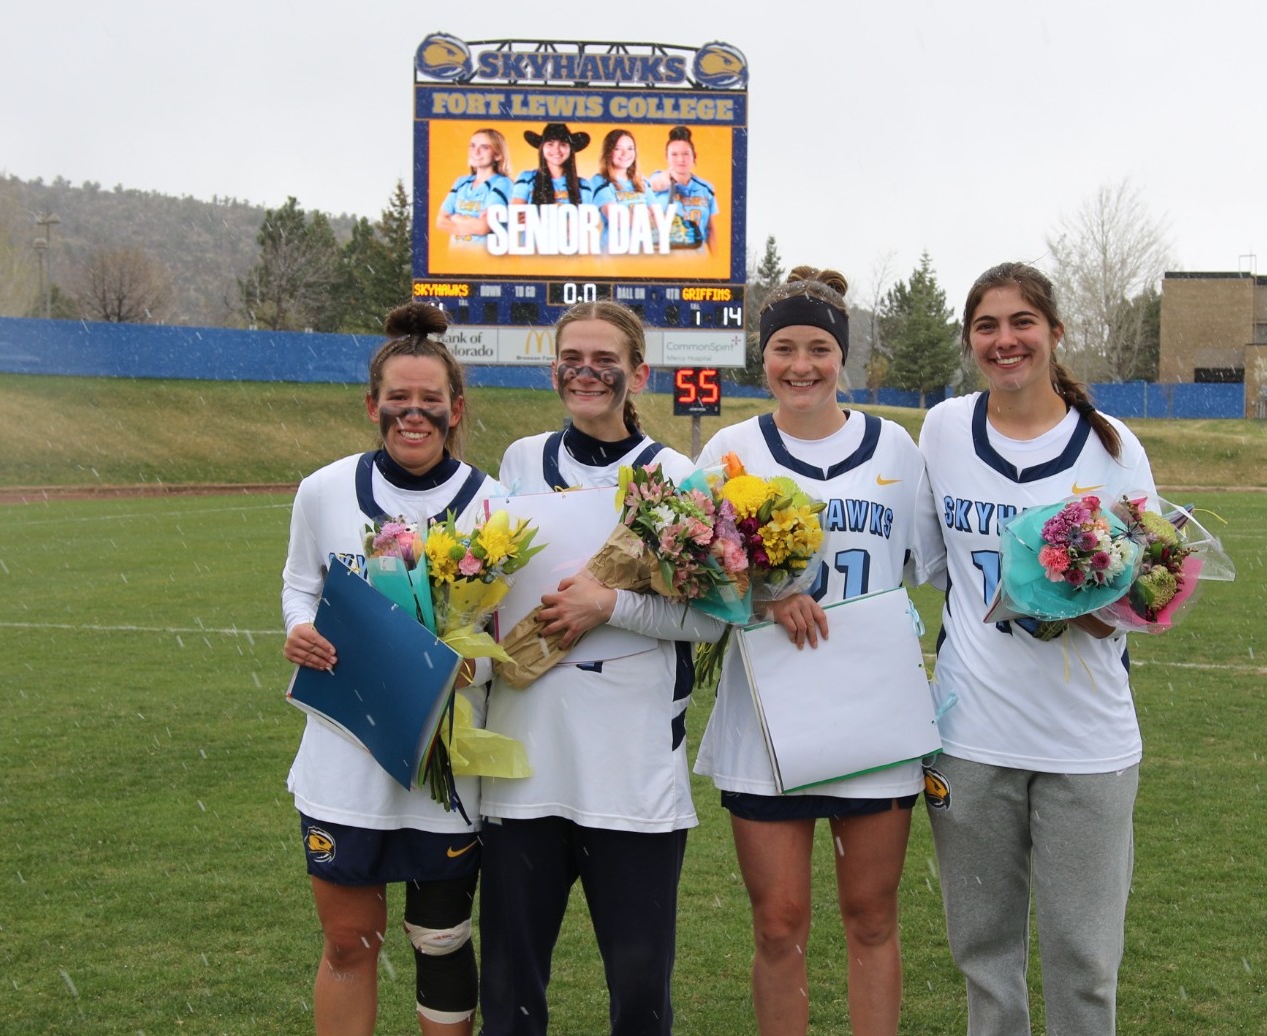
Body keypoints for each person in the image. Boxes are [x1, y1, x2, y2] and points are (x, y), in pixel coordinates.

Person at [911, 262, 1159, 1036]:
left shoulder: (1113, 448)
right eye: (986, 325)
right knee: (983, 957)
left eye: (1022, 322)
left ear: (1055, 332)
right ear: (969, 341)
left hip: (1086, 737)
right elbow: (929, 566)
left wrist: (1098, 606)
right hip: (969, 735)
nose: (1004, 339)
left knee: (1084, 962)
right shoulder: (945, 428)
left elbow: (1151, 586)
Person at [693, 267, 935, 1036]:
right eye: (784, 348)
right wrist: (762, 597)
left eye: (820, 348)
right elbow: (689, 574)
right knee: (778, 924)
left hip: (872, 711)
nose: (801, 365)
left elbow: (929, 565)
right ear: (761, 357)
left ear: (843, 358)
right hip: (768, 713)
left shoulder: (895, 445)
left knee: (870, 916)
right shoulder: (730, 449)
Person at [478, 299, 727, 1036]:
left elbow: (713, 618)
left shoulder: (675, 475)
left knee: (640, 993)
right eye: (570, 359)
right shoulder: (521, 461)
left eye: (603, 360)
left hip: (631, 764)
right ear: (554, 367)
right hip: (524, 765)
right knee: (511, 991)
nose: (585, 372)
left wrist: (606, 605)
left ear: (637, 372)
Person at [281, 301, 503, 1036]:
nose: (414, 415)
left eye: (430, 403)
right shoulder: (322, 490)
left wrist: (468, 665)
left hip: (442, 761)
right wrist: (300, 629)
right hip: (343, 755)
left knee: (441, 942)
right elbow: (299, 584)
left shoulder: (492, 504)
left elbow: (505, 630)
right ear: (371, 405)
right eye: (398, 401)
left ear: (456, 408)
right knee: (349, 942)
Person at [436, 128, 513, 245]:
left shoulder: (503, 183)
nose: (476, 152)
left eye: (484, 148)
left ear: (497, 155)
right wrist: (471, 224)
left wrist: (456, 218)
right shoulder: (461, 182)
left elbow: (483, 227)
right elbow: (440, 221)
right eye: (472, 146)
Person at [646, 126, 717, 251]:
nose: (680, 159)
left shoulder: (705, 188)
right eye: (674, 154)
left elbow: (711, 229)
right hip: (665, 259)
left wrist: (717, 264)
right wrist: (665, 181)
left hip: (697, 259)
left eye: (685, 154)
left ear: (694, 156)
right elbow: (654, 184)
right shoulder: (657, 178)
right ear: (666, 157)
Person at [588, 129, 655, 252]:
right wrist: (646, 215)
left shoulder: (642, 181)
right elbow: (618, 219)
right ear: (608, 152)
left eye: (630, 148)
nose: (625, 154)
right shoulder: (599, 181)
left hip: (643, 254)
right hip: (614, 255)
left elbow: (659, 217)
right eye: (618, 148)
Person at [510, 122, 593, 207]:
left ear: (570, 149)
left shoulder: (582, 184)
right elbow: (516, 215)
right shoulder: (526, 178)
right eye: (550, 144)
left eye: (563, 144)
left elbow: (585, 218)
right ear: (542, 148)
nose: (556, 149)